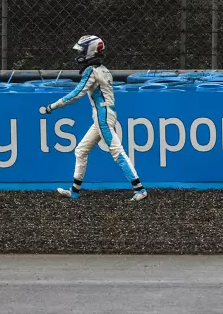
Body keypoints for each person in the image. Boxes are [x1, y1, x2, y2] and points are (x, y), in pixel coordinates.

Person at [38, 35, 147, 202]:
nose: (79, 54)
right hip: (103, 116)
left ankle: (140, 189)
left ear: (90, 51)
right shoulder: (104, 70)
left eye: (82, 50)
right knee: (81, 151)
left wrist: (53, 106)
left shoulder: (92, 71)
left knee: (117, 152)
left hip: (102, 116)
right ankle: (74, 191)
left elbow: (76, 94)